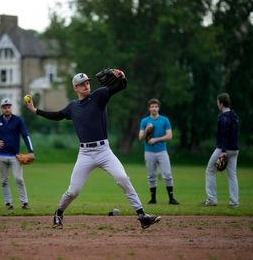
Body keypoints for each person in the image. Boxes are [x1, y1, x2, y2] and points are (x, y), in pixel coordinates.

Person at [25, 70, 161, 229]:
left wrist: (122, 77)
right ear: (75, 87)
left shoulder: (99, 96)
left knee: (123, 178)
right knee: (73, 191)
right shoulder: (73, 107)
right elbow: (57, 115)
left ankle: (142, 216)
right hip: (85, 154)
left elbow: (120, 87)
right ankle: (58, 213)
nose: (86, 85)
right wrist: (35, 110)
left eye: (87, 82)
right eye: (82, 84)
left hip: (104, 151)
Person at [0, 98, 34, 210]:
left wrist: (31, 151)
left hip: (15, 156)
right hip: (1, 156)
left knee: (19, 179)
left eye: (9, 107)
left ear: (11, 108)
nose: (7, 109)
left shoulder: (18, 120)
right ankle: (8, 203)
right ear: (1, 109)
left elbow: (26, 135)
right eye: (5, 107)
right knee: (4, 181)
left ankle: (24, 203)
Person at [201, 93, 240, 208]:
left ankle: (211, 199)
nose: (217, 104)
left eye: (218, 102)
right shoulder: (234, 115)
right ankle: (234, 202)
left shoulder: (224, 117)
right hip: (234, 149)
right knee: (232, 175)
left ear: (221, 103)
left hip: (224, 148)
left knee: (209, 170)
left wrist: (223, 151)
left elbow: (224, 135)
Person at [138, 98, 179, 205]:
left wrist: (155, 139)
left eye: (156, 106)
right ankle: (153, 199)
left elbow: (169, 136)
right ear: (149, 108)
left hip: (162, 151)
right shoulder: (145, 121)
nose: (154, 108)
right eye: (152, 106)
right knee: (151, 175)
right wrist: (147, 130)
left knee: (167, 174)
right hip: (149, 152)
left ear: (158, 108)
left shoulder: (164, 120)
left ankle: (171, 198)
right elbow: (140, 138)